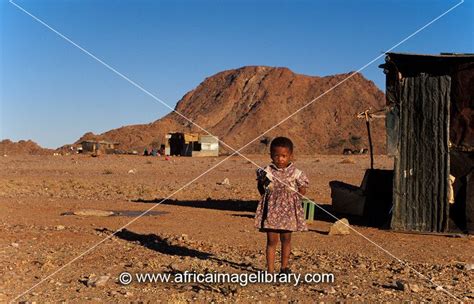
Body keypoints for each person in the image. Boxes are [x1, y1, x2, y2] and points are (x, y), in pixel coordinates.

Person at [254, 136, 309, 274]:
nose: (280, 159)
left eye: (284, 156)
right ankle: (270, 271)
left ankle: (284, 268)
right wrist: (266, 197)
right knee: (272, 240)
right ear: (271, 155)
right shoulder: (266, 171)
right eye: (276, 155)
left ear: (290, 156)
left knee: (286, 239)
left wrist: (296, 198)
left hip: (288, 212)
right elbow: (260, 187)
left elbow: (303, 188)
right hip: (271, 211)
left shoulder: (296, 173)